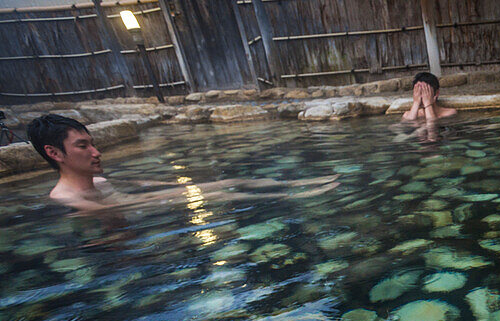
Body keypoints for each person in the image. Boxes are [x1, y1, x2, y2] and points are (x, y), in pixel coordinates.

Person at [27, 113, 337, 213]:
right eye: (83, 146)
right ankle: (295, 196)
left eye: (93, 143)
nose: (96, 152)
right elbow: (131, 206)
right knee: (222, 192)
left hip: (139, 203)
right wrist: (177, 196)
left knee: (224, 184)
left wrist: (181, 187)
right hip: (135, 213)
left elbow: (149, 189)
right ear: (55, 154)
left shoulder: (102, 182)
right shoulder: (69, 202)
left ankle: (299, 184)